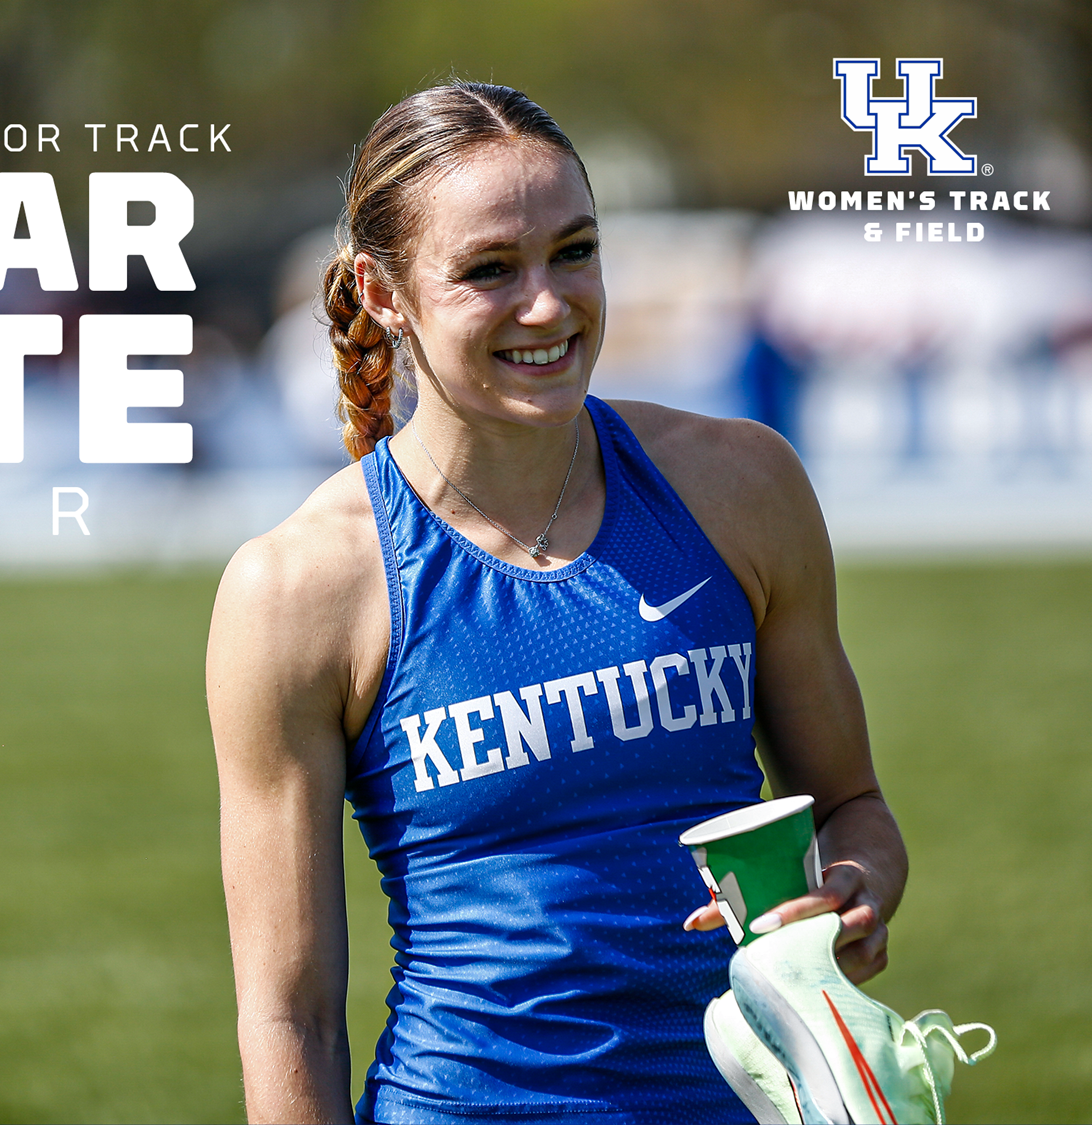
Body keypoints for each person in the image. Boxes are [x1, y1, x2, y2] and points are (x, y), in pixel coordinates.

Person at [207, 83, 906, 1124]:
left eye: (572, 251)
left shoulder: (738, 487)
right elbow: (288, 1015)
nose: (546, 304)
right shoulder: (301, 588)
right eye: (488, 269)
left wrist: (849, 888)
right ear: (383, 292)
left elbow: (851, 805)